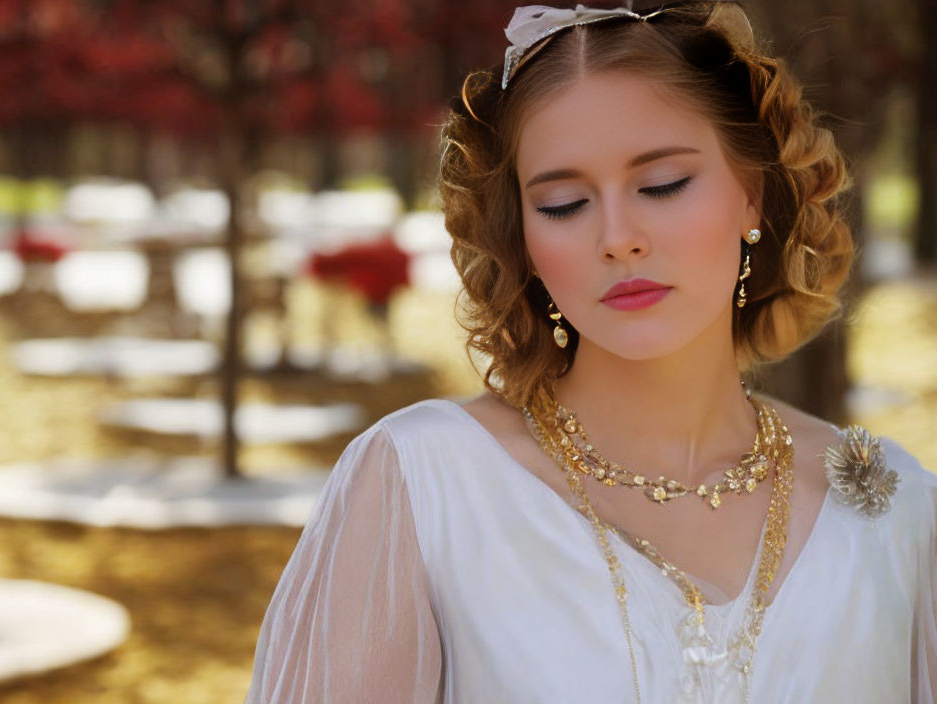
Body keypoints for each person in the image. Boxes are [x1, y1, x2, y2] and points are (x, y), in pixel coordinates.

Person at [243, 0, 937, 702]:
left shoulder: (890, 510)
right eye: (564, 204)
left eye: (663, 184)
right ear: (525, 243)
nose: (617, 236)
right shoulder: (422, 483)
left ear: (752, 194)